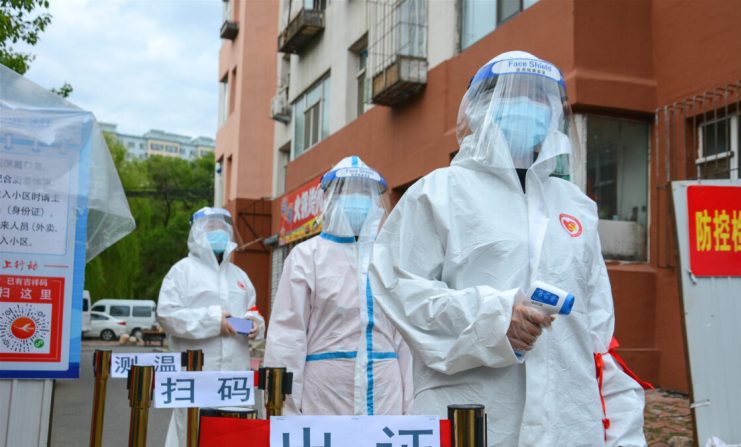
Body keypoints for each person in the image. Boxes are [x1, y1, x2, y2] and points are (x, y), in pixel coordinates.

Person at [368, 51, 646, 446]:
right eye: (513, 96)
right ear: (481, 107)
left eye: (539, 98)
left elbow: (598, 330)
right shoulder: (439, 193)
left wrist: (622, 429)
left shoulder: (574, 206)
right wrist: (495, 319)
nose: (529, 107)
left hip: (568, 420)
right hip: (474, 412)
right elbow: (399, 289)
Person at [264, 156, 412, 416]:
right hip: (325, 395)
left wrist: (412, 411)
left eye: (364, 193)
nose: (357, 200)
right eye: (347, 192)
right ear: (329, 199)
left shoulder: (389, 259)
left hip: (385, 394)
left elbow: (406, 342)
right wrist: (284, 412)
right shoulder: (306, 257)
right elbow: (287, 339)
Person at [157, 207, 264, 447]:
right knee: (191, 434)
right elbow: (167, 314)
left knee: (234, 435)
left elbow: (253, 311)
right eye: (211, 227)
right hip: (196, 376)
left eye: (222, 227)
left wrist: (255, 324)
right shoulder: (182, 272)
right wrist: (214, 320)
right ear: (196, 232)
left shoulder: (240, 276)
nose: (218, 232)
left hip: (235, 378)